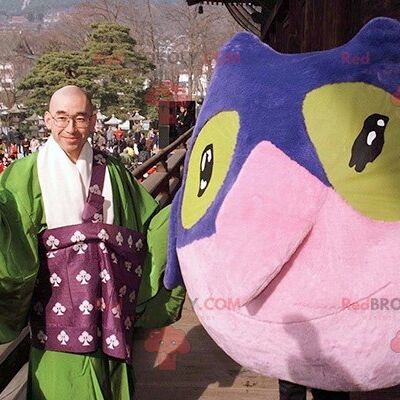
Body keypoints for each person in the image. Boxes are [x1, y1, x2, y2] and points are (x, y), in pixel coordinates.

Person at [0, 85, 183, 400]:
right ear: (47, 120)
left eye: (80, 118)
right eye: (61, 118)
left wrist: (185, 219)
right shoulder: (24, 174)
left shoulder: (113, 170)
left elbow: (148, 224)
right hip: (56, 316)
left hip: (109, 308)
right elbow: (12, 244)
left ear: (93, 120)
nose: (70, 128)